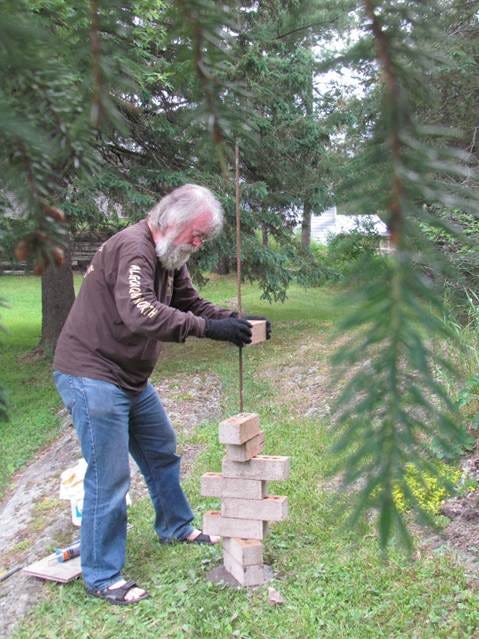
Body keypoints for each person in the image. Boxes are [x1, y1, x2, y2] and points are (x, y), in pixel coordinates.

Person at [53, 184, 271, 605]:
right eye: (197, 234)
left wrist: (235, 322)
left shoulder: (169, 257)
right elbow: (141, 312)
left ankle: (175, 526)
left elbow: (191, 303)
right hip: (91, 373)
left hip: (128, 377)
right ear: (172, 221)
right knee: (109, 476)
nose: (198, 244)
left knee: (161, 451)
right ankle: (101, 575)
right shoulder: (134, 248)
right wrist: (208, 329)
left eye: (202, 238)